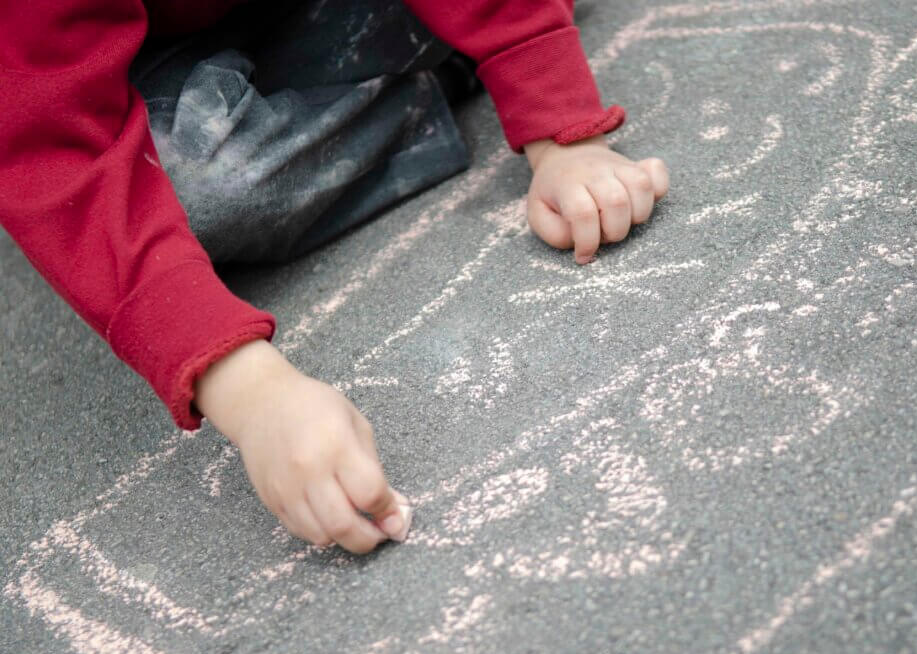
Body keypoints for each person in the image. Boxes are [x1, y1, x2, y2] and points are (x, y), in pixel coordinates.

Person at [0, 0, 670, 553]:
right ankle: (446, 66)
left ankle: (470, 47)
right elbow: (54, 149)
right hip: (141, 59)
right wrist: (251, 393)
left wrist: (564, 132)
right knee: (198, 190)